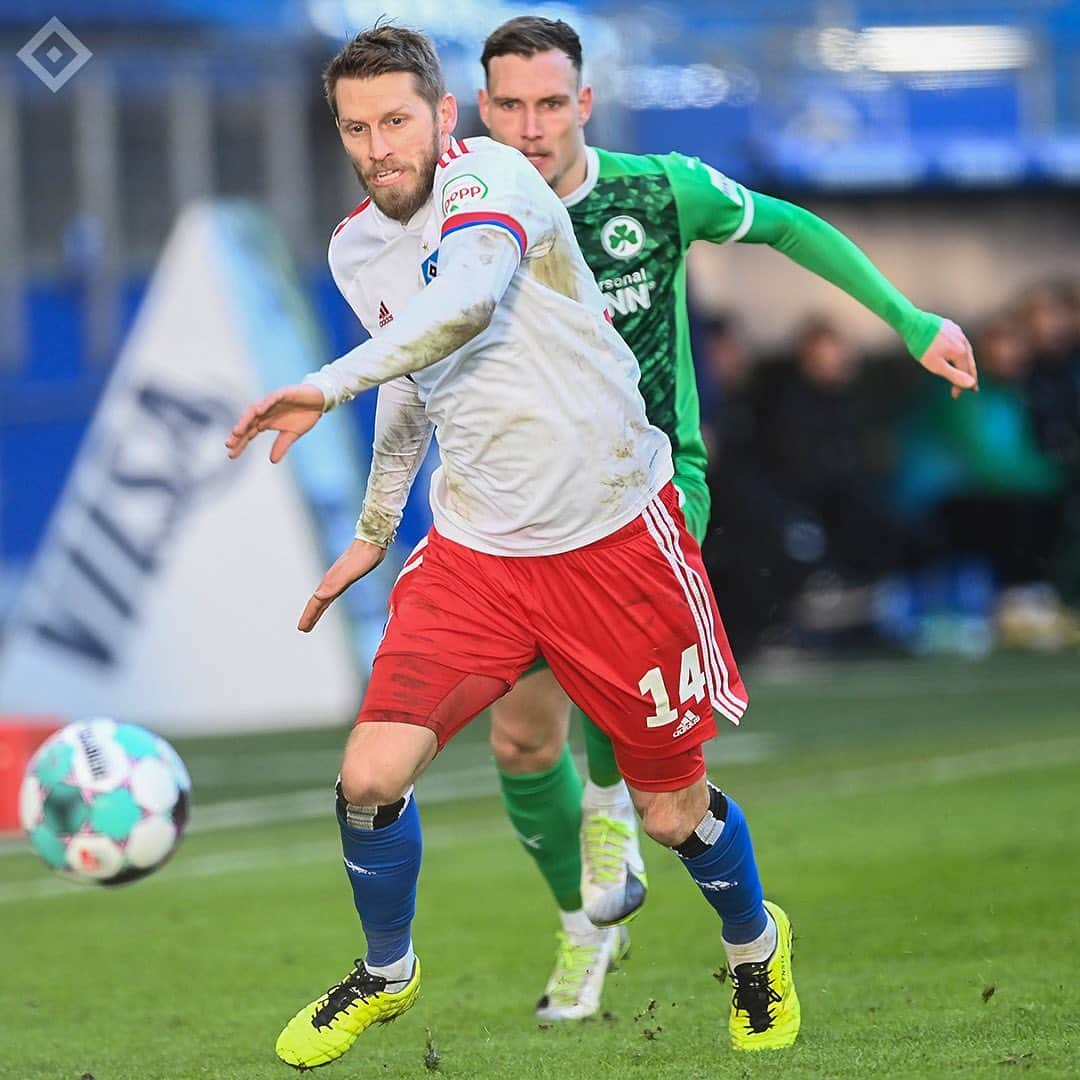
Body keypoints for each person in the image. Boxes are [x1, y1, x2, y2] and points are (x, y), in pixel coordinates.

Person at [226, 25, 842, 1066]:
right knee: (371, 775)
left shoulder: (495, 183)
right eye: (356, 128)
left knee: (669, 811)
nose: (379, 147)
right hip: (477, 554)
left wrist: (328, 384)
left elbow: (461, 306)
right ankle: (386, 971)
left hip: (614, 537)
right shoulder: (354, 249)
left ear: (442, 118)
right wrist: (378, 528)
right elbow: (415, 378)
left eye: (397, 122)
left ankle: (753, 943)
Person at [475, 14, 979, 1021]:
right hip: (522, 509)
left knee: (635, 744)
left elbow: (790, 225)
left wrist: (912, 320)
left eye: (550, 103)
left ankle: (616, 818)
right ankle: (586, 931)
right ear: (484, 111)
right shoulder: (466, 209)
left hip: (654, 492)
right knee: (524, 745)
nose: (531, 125)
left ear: (584, 104)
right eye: (511, 105)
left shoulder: (657, 190)